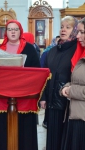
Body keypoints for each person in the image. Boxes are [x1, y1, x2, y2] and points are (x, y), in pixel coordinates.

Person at [0, 20, 40, 150]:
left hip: (23, 97)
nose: (13, 31)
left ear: (20, 31)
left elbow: (36, 71)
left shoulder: (29, 48)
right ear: (6, 32)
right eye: (10, 29)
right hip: (2, 96)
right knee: (3, 130)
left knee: (23, 132)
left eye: (16, 29)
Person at [40, 16, 78, 150]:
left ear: (74, 30)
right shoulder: (52, 51)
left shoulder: (76, 50)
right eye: (62, 26)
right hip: (51, 101)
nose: (63, 30)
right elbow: (45, 75)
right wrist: (43, 97)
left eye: (68, 27)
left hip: (68, 102)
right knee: (51, 137)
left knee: (64, 138)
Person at [61, 17, 85, 150]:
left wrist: (71, 91)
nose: (78, 36)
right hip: (76, 115)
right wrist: (66, 87)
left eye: (82, 32)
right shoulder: (81, 53)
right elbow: (77, 80)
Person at [40, 35, 60, 129]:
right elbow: (43, 70)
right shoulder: (49, 52)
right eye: (57, 41)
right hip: (49, 87)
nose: (58, 42)